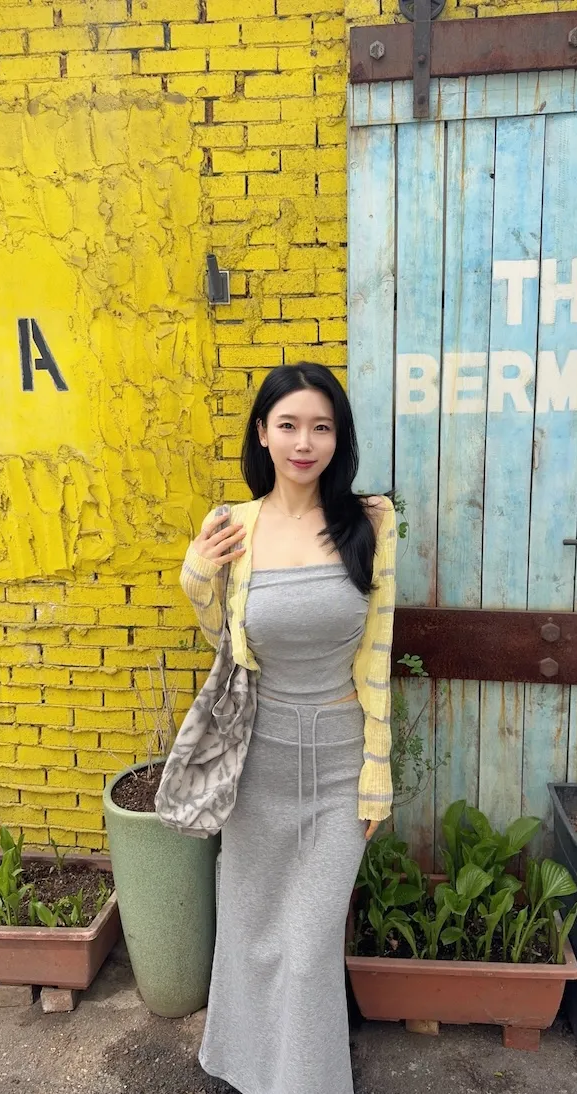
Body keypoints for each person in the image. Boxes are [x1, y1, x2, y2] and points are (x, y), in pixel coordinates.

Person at [180, 362, 397, 1094]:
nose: (305, 442)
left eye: (321, 427)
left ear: (339, 437)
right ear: (263, 434)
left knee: (307, 951)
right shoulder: (232, 525)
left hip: (339, 765)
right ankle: (252, 1070)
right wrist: (195, 578)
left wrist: (377, 771)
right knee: (252, 934)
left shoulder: (371, 521)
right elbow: (227, 644)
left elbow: (378, 654)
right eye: (289, 425)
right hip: (257, 764)